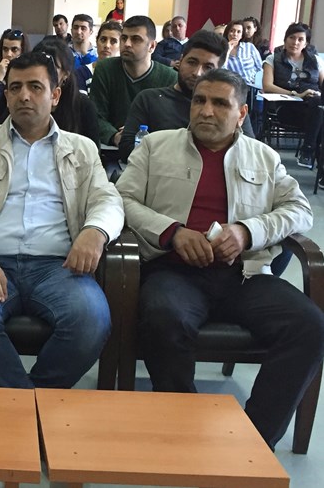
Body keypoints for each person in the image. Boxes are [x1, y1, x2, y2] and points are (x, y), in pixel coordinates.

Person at [115, 68, 324, 450]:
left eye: (220, 104)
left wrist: (247, 231)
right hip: (174, 271)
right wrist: (172, 232)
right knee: (165, 317)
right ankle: (183, 429)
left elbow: (299, 210)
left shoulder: (263, 157)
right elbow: (122, 199)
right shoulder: (156, 147)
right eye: (199, 100)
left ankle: (253, 442)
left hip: (244, 275)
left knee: (310, 325)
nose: (206, 111)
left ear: (241, 113)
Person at [0, 52, 124, 389]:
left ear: (55, 96)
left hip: (59, 267)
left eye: (35, 87)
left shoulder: (81, 148)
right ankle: (26, 403)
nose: (24, 95)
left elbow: (107, 199)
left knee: (91, 319)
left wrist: (96, 231)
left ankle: (29, 397)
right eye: (15, 88)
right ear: (6, 94)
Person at [119, 30, 254, 162]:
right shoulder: (149, 100)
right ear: (181, 60)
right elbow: (127, 150)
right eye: (192, 62)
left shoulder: (230, 107)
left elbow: (247, 155)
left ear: (219, 70)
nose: (197, 73)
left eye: (208, 67)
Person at [90, 15, 177, 146]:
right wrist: (115, 136)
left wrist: (139, 135)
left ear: (152, 46)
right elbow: (95, 115)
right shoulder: (105, 68)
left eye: (136, 39)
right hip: (111, 148)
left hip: (153, 149)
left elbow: (172, 125)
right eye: (124, 38)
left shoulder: (170, 77)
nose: (127, 44)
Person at [261, 22, 323, 169]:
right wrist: (297, 94)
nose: (295, 42)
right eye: (292, 37)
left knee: (318, 105)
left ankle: (311, 155)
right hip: (287, 108)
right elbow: (267, 86)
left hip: (313, 107)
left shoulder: (315, 61)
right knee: (320, 115)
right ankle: (310, 153)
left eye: (300, 39)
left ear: (306, 43)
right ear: (285, 39)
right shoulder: (272, 59)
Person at [0, 28, 30, 116]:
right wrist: (0, 79)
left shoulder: (30, 76)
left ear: (23, 51)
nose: (8, 54)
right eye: (5, 49)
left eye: (14, 50)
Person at [78, 20, 122, 93]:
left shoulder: (124, 75)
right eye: (103, 40)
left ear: (121, 45)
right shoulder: (82, 73)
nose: (107, 45)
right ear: (96, 41)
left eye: (113, 41)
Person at [222, 20, 262, 87]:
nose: (235, 34)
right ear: (227, 33)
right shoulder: (222, 50)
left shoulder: (249, 47)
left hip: (254, 86)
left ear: (241, 35)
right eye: (232, 31)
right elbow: (222, 72)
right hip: (235, 87)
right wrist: (227, 51)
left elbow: (260, 68)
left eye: (239, 32)